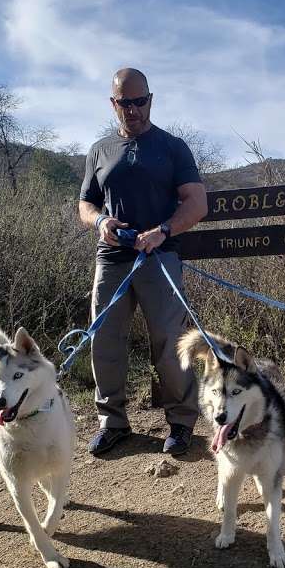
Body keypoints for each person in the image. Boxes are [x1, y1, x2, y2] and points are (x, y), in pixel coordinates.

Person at [77, 68, 208, 456]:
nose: (132, 109)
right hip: (112, 258)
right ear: (113, 103)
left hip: (160, 256)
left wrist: (163, 231)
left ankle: (182, 423)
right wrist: (100, 221)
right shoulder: (99, 150)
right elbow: (85, 204)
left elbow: (197, 203)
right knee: (105, 340)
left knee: (170, 342)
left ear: (151, 100)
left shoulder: (172, 147)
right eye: (124, 102)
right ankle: (112, 422)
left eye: (139, 101)